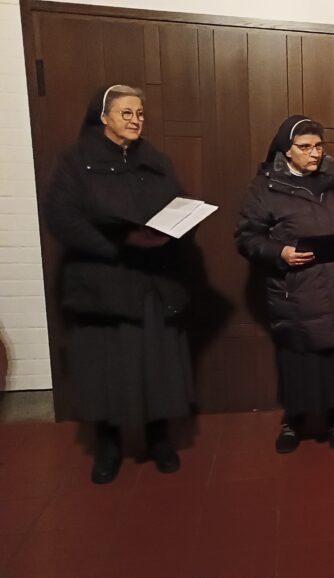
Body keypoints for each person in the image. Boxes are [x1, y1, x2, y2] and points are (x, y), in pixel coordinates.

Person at [44, 84, 195, 484]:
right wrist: (117, 244)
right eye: (127, 113)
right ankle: (108, 445)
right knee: (105, 370)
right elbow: (61, 217)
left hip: (151, 280)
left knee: (155, 365)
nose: (135, 120)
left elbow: (179, 205)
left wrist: (176, 229)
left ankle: (158, 439)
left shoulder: (157, 161)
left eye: (140, 113)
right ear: (104, 117)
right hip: (103, 285)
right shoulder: (76, 162)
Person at [235, 115, 334, 453]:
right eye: (305, 147)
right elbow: (247, 238)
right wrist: (279, 252)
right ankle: (293, 422)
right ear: (287, 151)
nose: (315, 153)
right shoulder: (265, 188)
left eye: (318, 146)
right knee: (299, 365)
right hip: (297, 291)